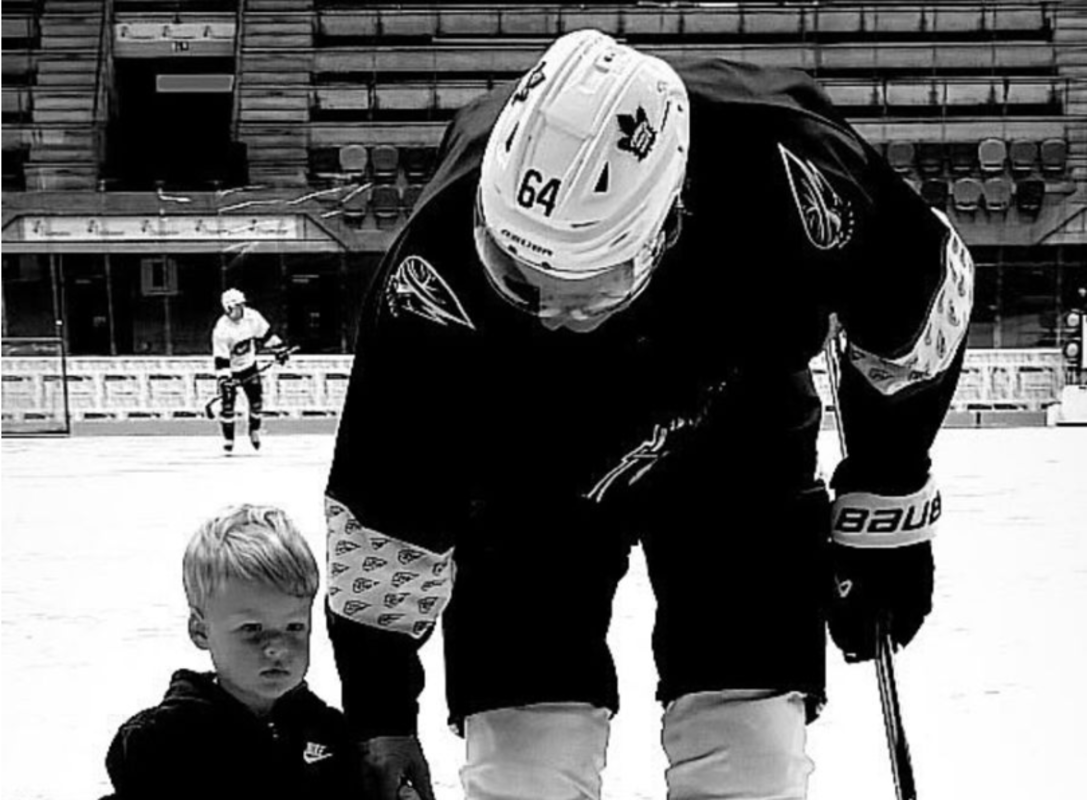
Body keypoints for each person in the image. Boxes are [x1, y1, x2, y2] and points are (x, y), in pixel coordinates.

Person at [324, 29, 973, 800]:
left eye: (585, 287)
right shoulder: (431, 269)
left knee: (748, 753)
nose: (551, 312)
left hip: (738, 424)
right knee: (527, 767)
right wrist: (380, 715)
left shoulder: (789, 170)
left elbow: (920, 314)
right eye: (519, 277)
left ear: (663, 223)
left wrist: (887, 500)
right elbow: (385, 499)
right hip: (525, 453)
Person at [101, 504, 366, 800]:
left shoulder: (330, 731)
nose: (277, 647)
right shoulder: (164, 740)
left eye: (294, 626)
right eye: (252, 629)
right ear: (201, 631)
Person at [211, 288, 290, 454]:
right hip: (230, 370)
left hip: (249, 365)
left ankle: (254, 431)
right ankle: (229, 439)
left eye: (242, 305)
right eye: (237, 307)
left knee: (256, 402)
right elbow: (221, 359)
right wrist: (225, 380)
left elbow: (267, 336)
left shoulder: (252, 317)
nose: (241, 310)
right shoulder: (221, 330)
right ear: (228, 308)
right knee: (228, 405)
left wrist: (279, 349)